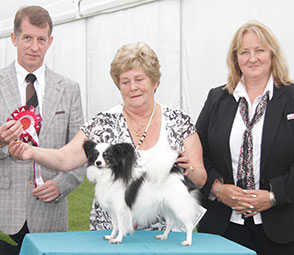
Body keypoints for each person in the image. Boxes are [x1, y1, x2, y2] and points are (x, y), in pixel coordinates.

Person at [9, 41, 207, 232]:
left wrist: (188, 168)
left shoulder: (179, 121)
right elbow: (65, 158)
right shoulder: (103, 123)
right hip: (113, 233)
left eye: (139, 79)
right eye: (125, 82)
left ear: (155, 82)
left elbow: (200, 178)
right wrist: (31, 151)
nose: (133, 87)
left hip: (167, 236)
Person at [196, 20, 294, 255]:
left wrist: (274, 196)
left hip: (283, 228)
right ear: (236, 59)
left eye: (259, 50)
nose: (252, 58)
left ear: (272, 54)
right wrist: (217, 189)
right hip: (224, 228)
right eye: (244, 52)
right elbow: (198, 152)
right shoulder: (217, 98)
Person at [0, 6, 85, 255]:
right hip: (5, 214)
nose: (34, 47)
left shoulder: (69, 89)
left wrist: (62, 184)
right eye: (27, 38)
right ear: (14, 38)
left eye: (41, 39)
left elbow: (82, 151)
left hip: (50, 215)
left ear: (50, 41)